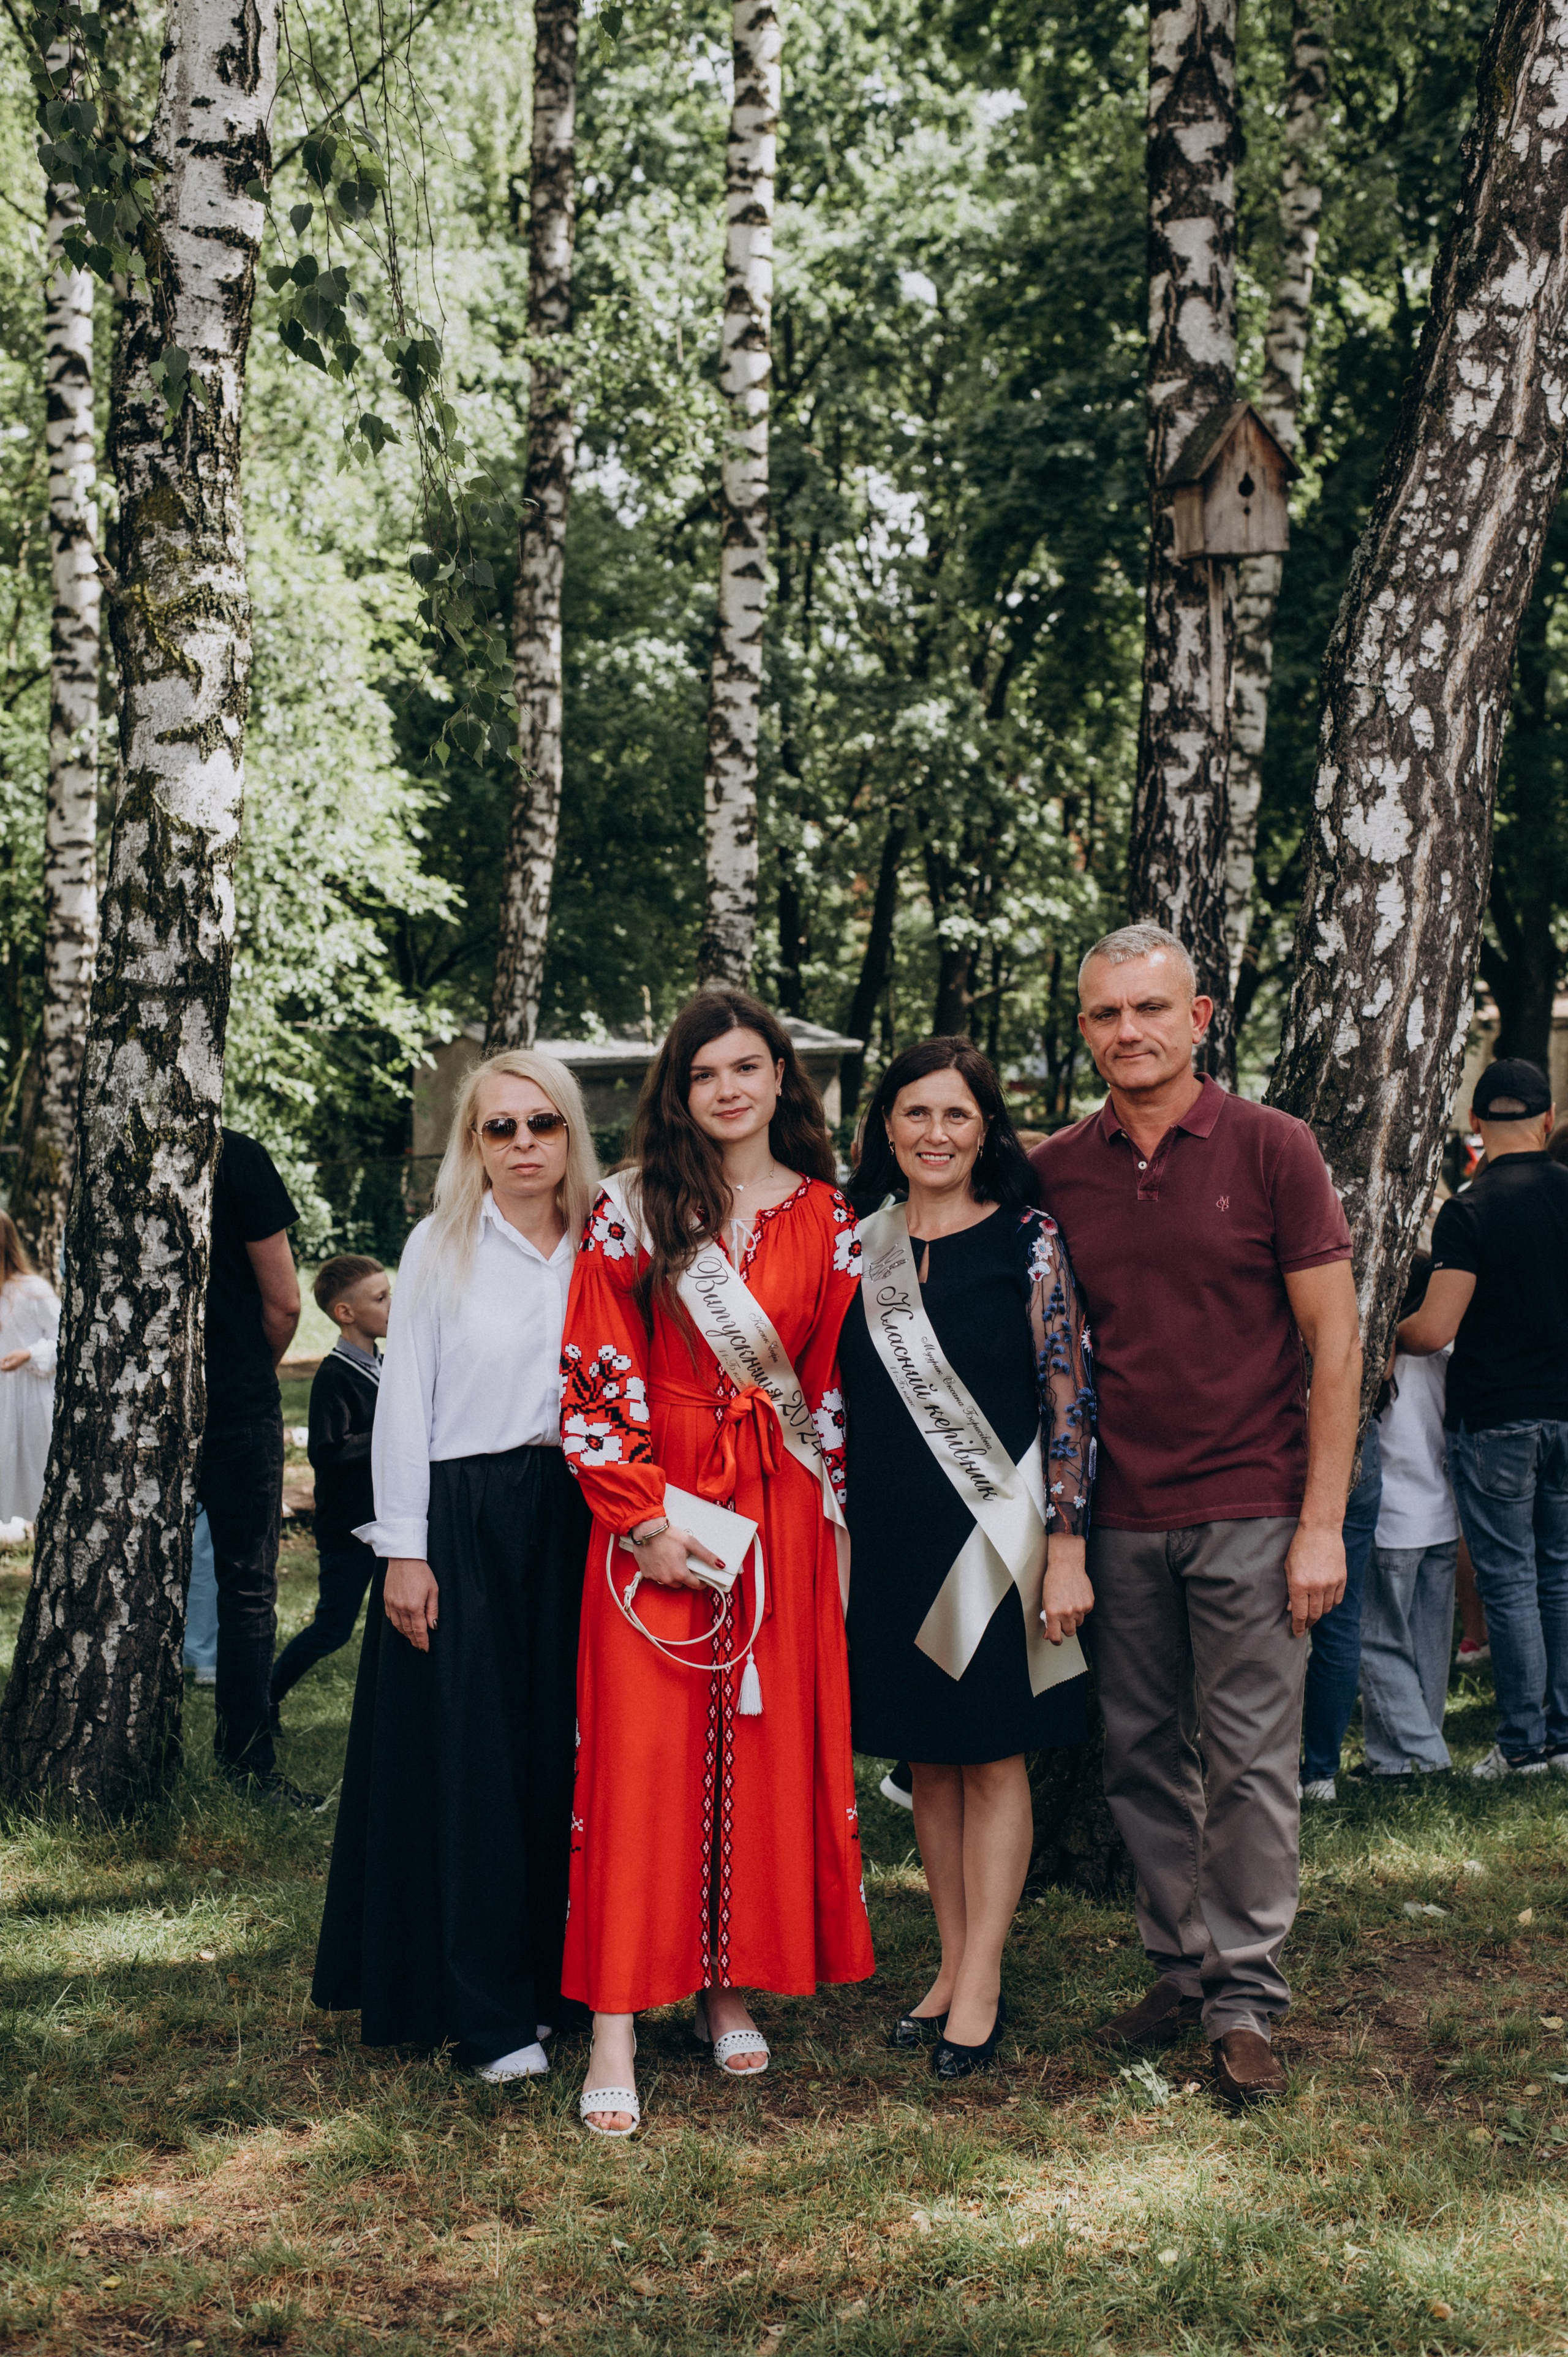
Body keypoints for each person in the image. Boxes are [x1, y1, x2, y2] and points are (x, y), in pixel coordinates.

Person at [1031, 923, 1362, 2106]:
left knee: (1255, 1761)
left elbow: (1337, 1344)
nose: (1131, 1029)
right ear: (1085, 1028)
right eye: (1108, 1012)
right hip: (1118, 1516)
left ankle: (1246, 1999)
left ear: (1200, 1016)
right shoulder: (1059, 1168)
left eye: (1152, 1008)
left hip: (1255, 1506)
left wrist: (1322, 1523)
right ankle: (1178, 1968)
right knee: (1138, 1755)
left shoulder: (1275, 1147)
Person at [562, 989, 874, 2135]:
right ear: (679, 1092)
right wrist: (639, 1517)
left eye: (749, 1067)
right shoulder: (631, 1208)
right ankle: (612, 2020)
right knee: (640, 1752)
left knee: (750, 1743)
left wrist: (835, 1534)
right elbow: (596, 1368)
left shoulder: (833, 1216)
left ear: (781, 1078)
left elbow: (832, 1391)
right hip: (660, 1498)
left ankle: (726, 1981)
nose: (729, 1088)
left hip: (778, 1503)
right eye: (706, 1074)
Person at [312, 1050, 598, 2082]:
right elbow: (408, 1401)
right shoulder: (439, 1245)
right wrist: (405, 1546)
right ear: (472, 1143)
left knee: (565, 1756)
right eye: (498, 1127)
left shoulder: (611, 1240)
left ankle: (568, 1986)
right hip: (465, 1512)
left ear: (570, 1131)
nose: (523, 1144)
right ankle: (486, 2012)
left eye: (542, 1123)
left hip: (584, 1512)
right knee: (475, 1758)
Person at [842, 1039, 1094, 2078]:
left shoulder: (1029, 1240)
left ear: (986, 1126)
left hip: (1003, 1539)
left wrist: (1069, 1545)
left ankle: (981, 1978)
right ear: (887, 1129)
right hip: (893, 1542)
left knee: (990, 1752)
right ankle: (949, 1963)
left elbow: (1071, 1393)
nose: (936, 1133)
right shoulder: (859, 1247)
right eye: (916, 1114)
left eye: (957, 1114)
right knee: (931, 1760)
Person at [1396, 1057, 1568, 1778]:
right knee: (1559, 1574)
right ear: (1547, 1120)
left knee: (1508, 1577)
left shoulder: (1467, 1208)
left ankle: (1524, 1743)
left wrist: (1380, 1330)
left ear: (1475, 1125)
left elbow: (1435, 1329)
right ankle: (1561, 1733)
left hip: (1496, 1414)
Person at [197, 1129, 309, 1804]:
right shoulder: (233, 1155)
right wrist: (248, 1370)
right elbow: (285, 1300)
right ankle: (245, 1760)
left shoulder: (108, 1150)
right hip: (235, 1400)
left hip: (139, 1408)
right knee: (245, 1589)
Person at [269, 1256, 390, 1725]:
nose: (391, 1305)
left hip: (386, 1520)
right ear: (346, 1313)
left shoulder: (384, 1366)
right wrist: (390, 1433)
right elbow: (328, 1450)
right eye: (380, 1298)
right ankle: (267, 1695)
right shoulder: (335, 1376)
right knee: (334, 1627)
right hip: (349, 1528)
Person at [1360, 1252, 1458, 1776]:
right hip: (1442, 1516)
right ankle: (1398, 1754)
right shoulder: (1444, 1354)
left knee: (1374, 1640)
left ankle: (1420, 1755)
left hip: (1394, 1520)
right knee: (1428, 1647)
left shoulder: (1384, 1360)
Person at [1296, 1420, 1382, 1803]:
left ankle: (1274, 1770)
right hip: (1360, 1443)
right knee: (1342, 1621)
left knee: (1267, 1618)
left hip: (1290, 1435)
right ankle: (1321, 1773)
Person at [0, 1210, 59, 1526]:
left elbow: (64, 1339)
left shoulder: (32, 1289)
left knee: (41, 1489)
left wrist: (29, 1354)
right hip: (2, 1404)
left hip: (32, 1404)